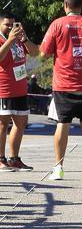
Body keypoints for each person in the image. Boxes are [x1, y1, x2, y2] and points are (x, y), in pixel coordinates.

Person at [36, 0, 82, 181]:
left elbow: (43, 53)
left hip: (63, 84)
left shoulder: (57, 24)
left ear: (65, 5)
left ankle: (58, 168)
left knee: (62, 125)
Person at [0, 12, 37, 172]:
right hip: (4, 89)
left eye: (13, 24)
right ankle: (1, 159)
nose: (11, 28)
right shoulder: (4, 39)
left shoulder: (19, 40)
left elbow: (35, 53)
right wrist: (9, 40)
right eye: (7, 24)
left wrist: (25, 39)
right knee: (2, 124)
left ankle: (14, 159)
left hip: (20, 89)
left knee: (20, 123)